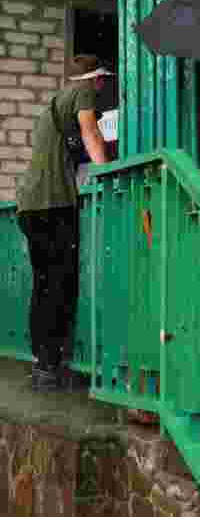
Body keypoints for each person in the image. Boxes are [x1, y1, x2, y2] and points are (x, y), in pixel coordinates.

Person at [17, 55, 111, 392]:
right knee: (60, 284)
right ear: (92, 78)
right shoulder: (82, 92)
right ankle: (54, 365)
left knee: (44, 284)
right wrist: (111, 172)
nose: (102, 87)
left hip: (30, 205)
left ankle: (44, 365)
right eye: (102, 79)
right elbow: (91, 135)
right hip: (54, 203)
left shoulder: (56, 102)